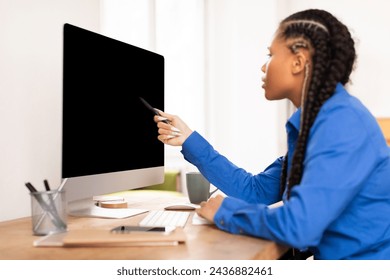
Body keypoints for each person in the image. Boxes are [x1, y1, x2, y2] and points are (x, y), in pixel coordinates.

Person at [153, 9, 390, 260]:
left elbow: (300, 226)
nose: (264, 65)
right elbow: (254, 192)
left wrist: (226, 212)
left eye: (271, 54)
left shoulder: (342, 123)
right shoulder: (317, 124)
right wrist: (189, 139)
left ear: (298, 62)